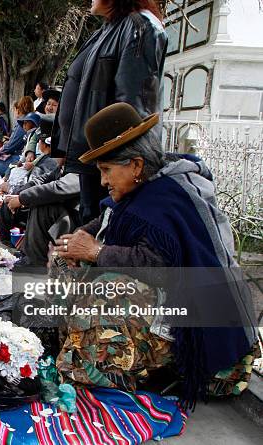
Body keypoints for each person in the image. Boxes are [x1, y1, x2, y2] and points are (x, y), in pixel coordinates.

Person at [52, 102, 258, 406]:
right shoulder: (144, 192)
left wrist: (96, 250)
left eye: (106, 170)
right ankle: (105, 356)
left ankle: (140, 368)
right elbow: (109, 221)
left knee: (103, 290)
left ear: (136, 165)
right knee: (71, 268)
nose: (103, 181)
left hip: (207, 329)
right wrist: (80, 239)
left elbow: (161, 266)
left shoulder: (167, 198)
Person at [53, 0, 167, 225]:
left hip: (113, 162)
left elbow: (134, 107)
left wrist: (120, 165)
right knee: (89, 223)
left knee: (107, 230)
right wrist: (63, 146)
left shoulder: (140, 27)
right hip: (93, 159)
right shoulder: (105, 30)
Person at [0, 96, 34, 176]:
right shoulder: (31, 119)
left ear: (18, 110)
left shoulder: (22, 123)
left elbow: (12, 145)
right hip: (23, 155)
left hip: (20, 156)